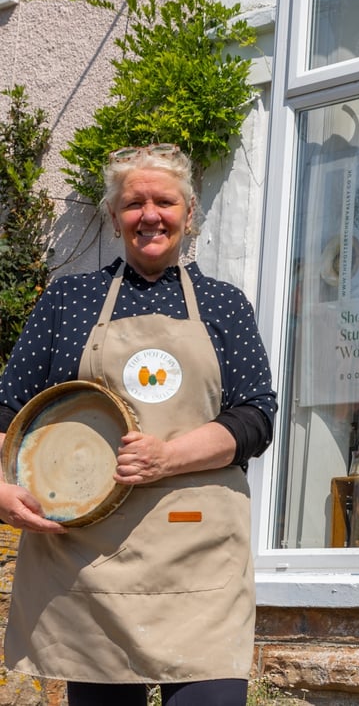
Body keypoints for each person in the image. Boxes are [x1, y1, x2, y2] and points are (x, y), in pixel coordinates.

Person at [0, 143, 277, 706]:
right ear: (113, 216)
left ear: (189, 212)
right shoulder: (68, 300)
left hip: (198, 553)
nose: (149, 215)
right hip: (91, 563)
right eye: (134, 203)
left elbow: (256, 416)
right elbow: (8, 407)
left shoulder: (225, 305)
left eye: (164, 201)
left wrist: (166, 458)